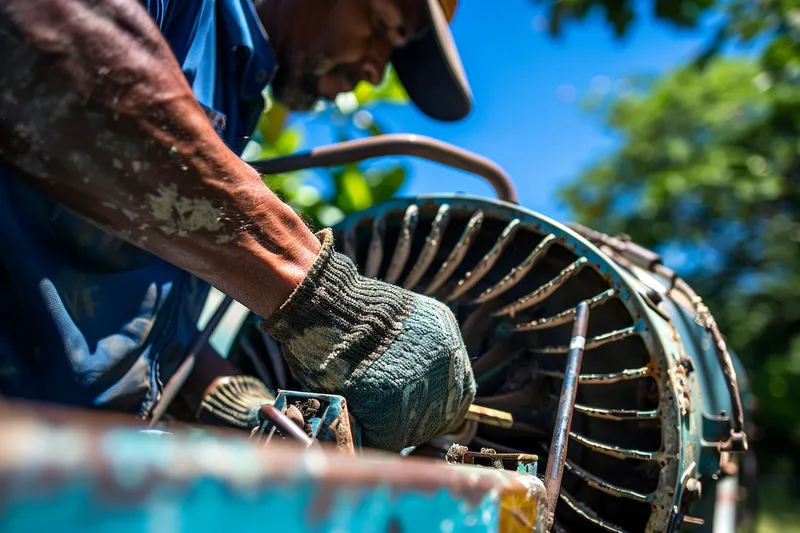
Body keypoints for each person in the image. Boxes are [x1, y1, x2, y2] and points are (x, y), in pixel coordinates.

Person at [0, 0, 476, 451]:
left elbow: (142, 333)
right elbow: (43, 36)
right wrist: (336, 306)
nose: (375, 72)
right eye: (381, 26)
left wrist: (253, 409)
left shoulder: (232, 91)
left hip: (83, 467)